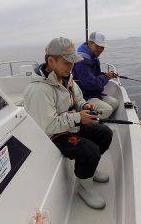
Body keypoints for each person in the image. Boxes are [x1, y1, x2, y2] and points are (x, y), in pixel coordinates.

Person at [24, 37, 113, 209]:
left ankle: (89, 171)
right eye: (67, 62)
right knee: (90, 151)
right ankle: (84, 187)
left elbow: (78, 99)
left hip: (70, 125)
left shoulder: (66, 77)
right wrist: (79, 118)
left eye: (73, 62)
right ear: (51, 61)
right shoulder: (38, 90)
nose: (71, 66)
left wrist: (85, 106)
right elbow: (48, 126)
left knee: (104, 133)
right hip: (53, 136)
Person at [73, 32, 119, 119]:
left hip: (94, 94)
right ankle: (87, 123)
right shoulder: (82, 60)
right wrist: (106, 77)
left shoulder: (92, 56)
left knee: (114, 103)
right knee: (107, 110)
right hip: (85, 96)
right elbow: (90, 84)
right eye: (98, 46)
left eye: (102, 47)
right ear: (90, 43)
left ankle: (98, 118)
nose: (100, 50)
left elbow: (93, 75)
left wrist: (106, 75)